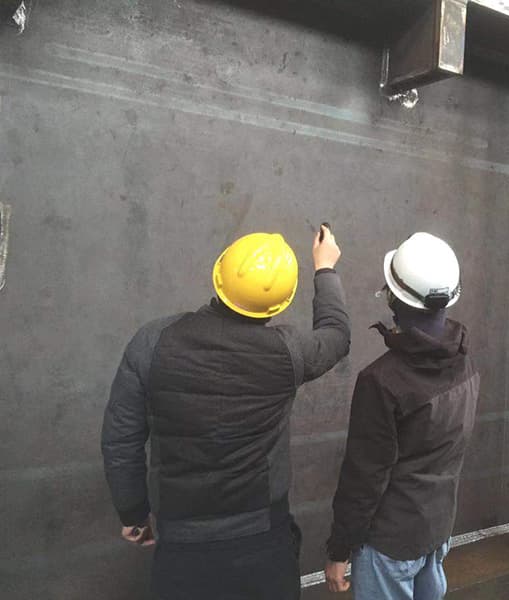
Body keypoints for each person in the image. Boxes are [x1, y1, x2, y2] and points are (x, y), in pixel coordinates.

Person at [101, 226, 349, 600]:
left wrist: (133, 512)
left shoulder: (152, 341)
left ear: (220, 276)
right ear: (279, 303)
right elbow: (337, 335)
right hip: (264, 542)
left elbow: (121, 438)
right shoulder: (289, 352)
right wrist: (324, 267)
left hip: (182, 543)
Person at [324, 232, 480, 600]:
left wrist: (339, 550)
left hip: (390, 544)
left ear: (393, 297)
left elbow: (364, 478)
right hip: (436, 529)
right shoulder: (465, 362)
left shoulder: (381, 381)